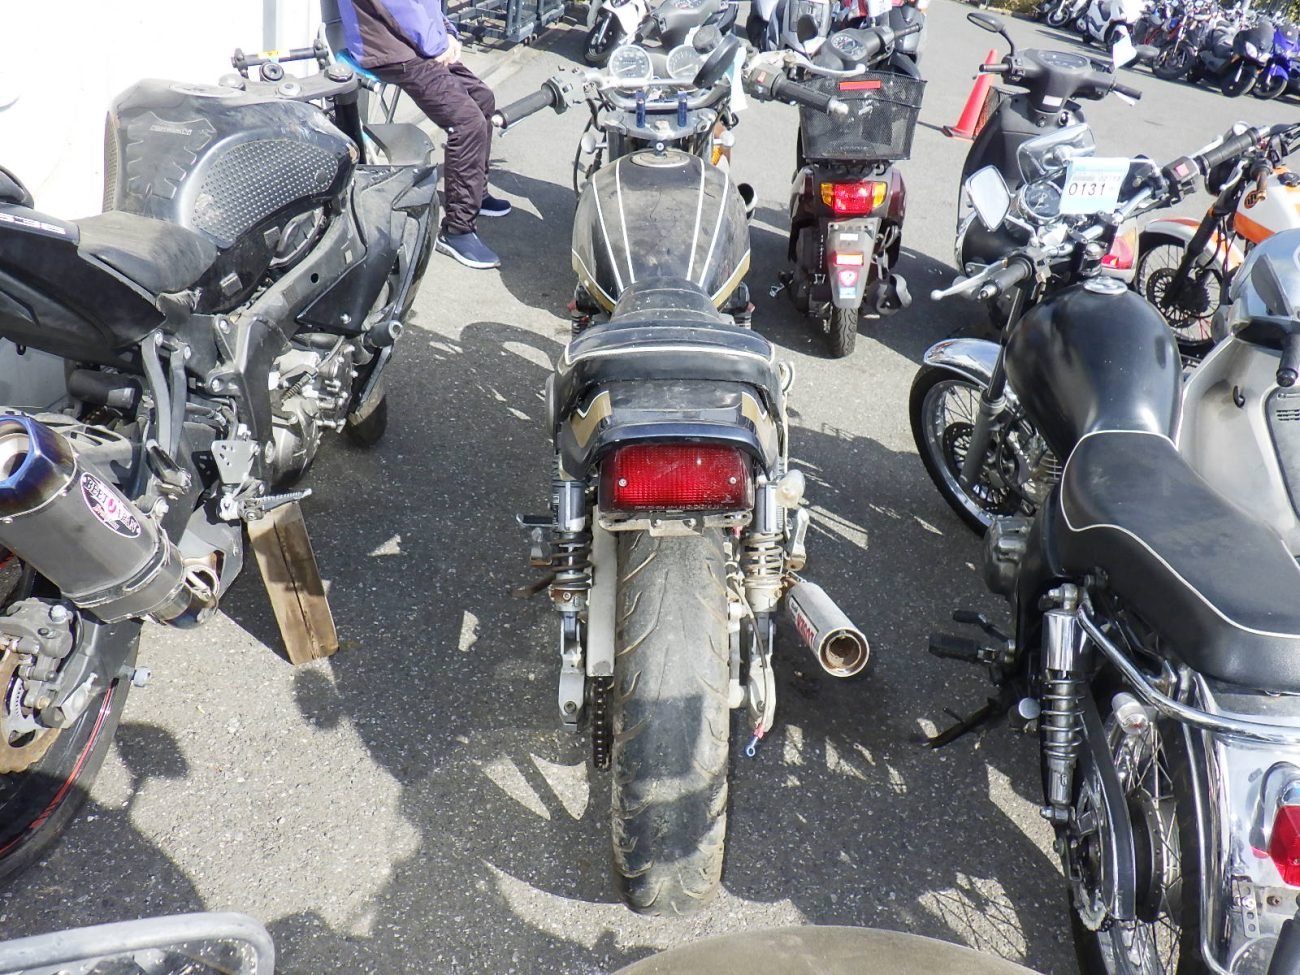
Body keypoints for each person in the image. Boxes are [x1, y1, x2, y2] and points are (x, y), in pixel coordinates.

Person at [337, 0, 511, 269]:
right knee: (467, 121)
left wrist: (448, 32)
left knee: (483, 98)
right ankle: (457, 230)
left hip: (416, 45)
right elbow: (397, 6)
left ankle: (476, 195)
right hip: (388, 48)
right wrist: (438, 44)